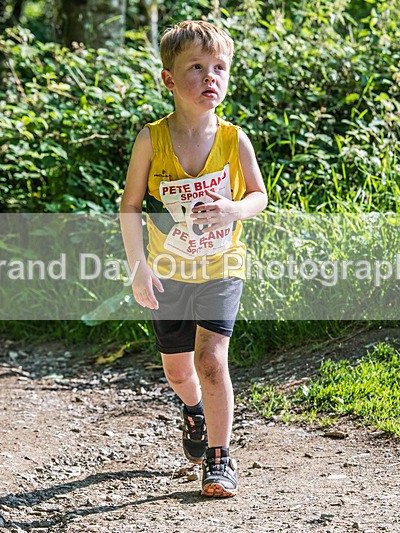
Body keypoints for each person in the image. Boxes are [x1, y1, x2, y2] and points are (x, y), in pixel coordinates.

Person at [119, 20, 268, 497]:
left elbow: (260, 196)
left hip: (223, 265)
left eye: (219, 67)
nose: (211, 77)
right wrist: (138, 266)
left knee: (210, 358)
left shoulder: (233, 139)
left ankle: (221, 460)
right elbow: (130, 206)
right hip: (167, 272)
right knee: (179, 370)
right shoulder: (151, 140)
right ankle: (194, 411)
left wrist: (234, 208)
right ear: (168, 79)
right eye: (197, 68)